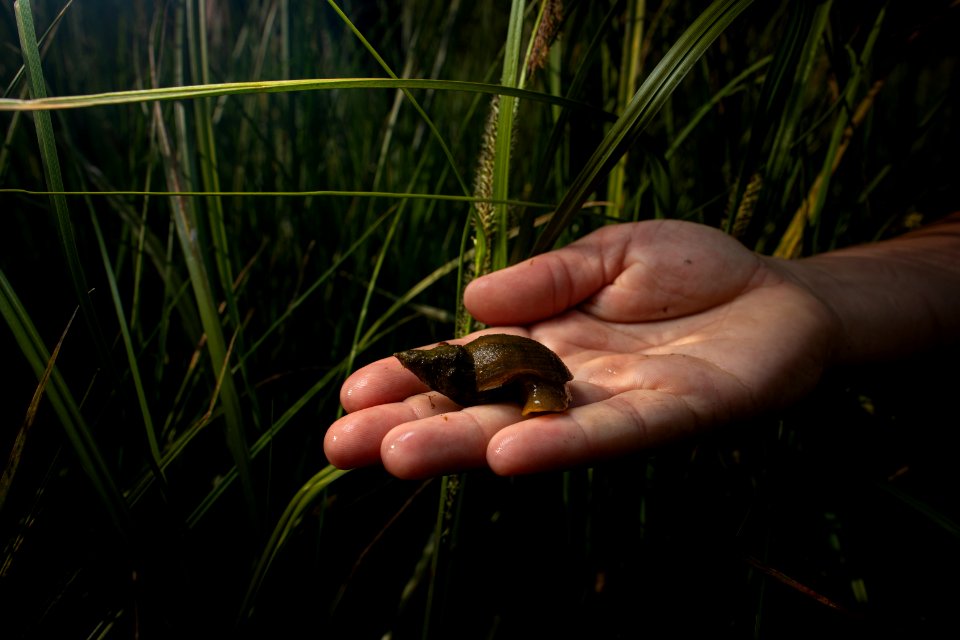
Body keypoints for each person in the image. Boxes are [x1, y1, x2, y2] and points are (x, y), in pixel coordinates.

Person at [324, 212, 960, 479]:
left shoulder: (493, 365)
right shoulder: (474, 365)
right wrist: (800, 286)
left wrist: (797, 293)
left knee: (544, 390)